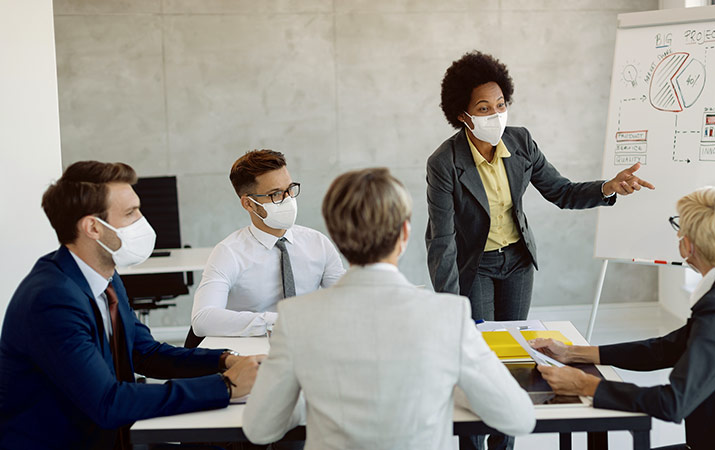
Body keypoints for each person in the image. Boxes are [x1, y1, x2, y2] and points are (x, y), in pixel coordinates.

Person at [426, 50, 654, 450]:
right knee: (479, 362)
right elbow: (441, 240)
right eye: (484, 107)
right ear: (463, 114)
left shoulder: (521, 141)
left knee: (516, 365)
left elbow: (561, 191)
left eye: (501, 104)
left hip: (516, 263)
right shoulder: (444, 163)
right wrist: (449, 307)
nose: (496, 114)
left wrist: (607, 187)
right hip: (475, 267)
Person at [241, 168, 535, 449]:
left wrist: (317, 396)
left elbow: (261, 429)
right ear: (405, 233)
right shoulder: (449, 314)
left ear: (337, 237)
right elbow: (518, 418)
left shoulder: (295, 318)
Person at [0, 161, 263, 450]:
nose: (143, 221)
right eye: (130, 213)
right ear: (93, 227)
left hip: (112, 435)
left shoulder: (104, 277)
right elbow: (108, 401)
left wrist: (225, 360)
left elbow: (146, 353)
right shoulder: (52, 299)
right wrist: (225, 386)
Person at [532, 186, 715, 450]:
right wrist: (573, 353)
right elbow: (666, 349)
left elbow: (672, 403)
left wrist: (586, 384)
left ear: (687, 245)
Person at [189, 149, 345, 344]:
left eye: (289, 189)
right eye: (275, 194)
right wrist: (277, 322)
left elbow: (346, 300)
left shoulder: (318, 243)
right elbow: (202, 320)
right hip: (250, 356)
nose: (288, 198)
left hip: (309, 347)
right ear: (248, 204)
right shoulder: (229, 252)